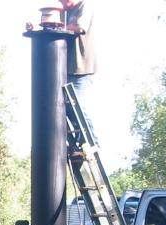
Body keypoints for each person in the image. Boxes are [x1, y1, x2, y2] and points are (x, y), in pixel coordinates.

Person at [60, 0, 98, 143]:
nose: (61, 3)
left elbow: (79, 27)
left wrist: (58, 26)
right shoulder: (65, 11)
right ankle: (79, 145)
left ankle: (93, 142)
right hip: (65, 68)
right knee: (64, 107)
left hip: (81, 67)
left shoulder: (84, 5)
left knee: (78, 107)